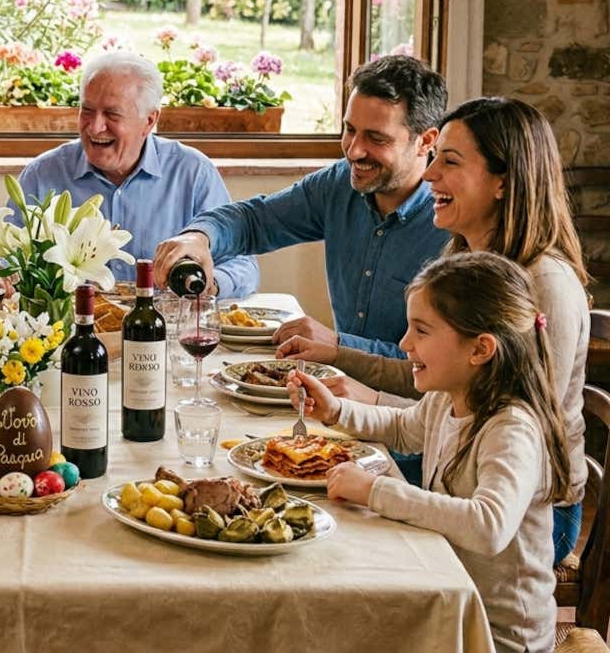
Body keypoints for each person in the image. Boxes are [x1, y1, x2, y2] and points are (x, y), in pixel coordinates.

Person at [278, 96, 590, 564]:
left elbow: (520, 434)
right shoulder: (463, 261)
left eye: (449, 161)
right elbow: (436, 388)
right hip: (457, 475)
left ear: (503, 182)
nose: (428, 175)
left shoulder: (545, 284)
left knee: (337, 520)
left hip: (528, 518)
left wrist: (369, 402)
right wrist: (340, 364)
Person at [289, 252, 570, 653]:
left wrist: (375, 492)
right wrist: (337, 411)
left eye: (421, 331)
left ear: (480, 349)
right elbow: (403, 429)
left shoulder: (512, 428)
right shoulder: (450, 397)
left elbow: (488, 526)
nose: (404, 343)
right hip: (447, 594)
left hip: (495, 636)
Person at [154, 55, 449, 357]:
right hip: (339, 385)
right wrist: (200, 237)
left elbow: (442, 364)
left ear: (426, 141)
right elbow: (255, 221)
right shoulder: (338, 184)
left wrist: (338, 345)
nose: (354, 150)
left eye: (376, 138)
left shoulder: (452, 226)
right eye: (349, 130)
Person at [14, 51, 258, 295]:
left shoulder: (193, 173)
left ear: (149, 121)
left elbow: (242, 266)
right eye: (87, 110)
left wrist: (208, 284)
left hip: (164, 330)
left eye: (112, 114)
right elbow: (4, 258)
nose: (95, 126)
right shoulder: (42, 175)